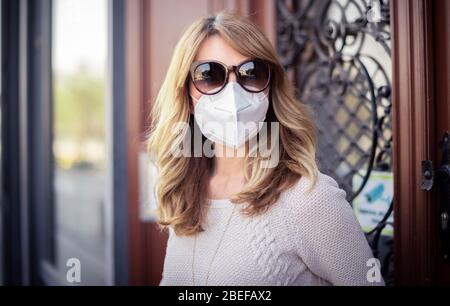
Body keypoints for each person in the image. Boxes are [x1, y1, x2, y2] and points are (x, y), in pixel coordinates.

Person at [148, 11, 384, 286]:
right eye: (209, 75)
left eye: (251, 72)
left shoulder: (309, 198)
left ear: (270, 88)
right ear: (186, 91)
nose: (233, 93)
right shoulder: (187, 196)